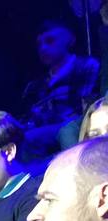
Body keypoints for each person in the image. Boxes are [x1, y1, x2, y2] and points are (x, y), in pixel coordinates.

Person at [19, 19, 100, 156]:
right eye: (39, 44)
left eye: (50, 41)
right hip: (45, 141)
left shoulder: (86, 67)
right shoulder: (35, 84)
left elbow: (88, 107)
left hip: (77, 130)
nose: (43, 48)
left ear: (70, 39)